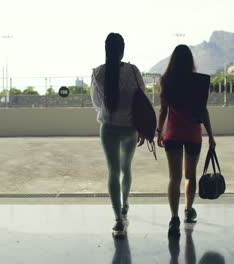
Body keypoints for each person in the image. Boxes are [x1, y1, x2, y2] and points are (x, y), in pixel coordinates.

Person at [157, 44, 216, 237]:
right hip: (193, 134)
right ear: (190, 60)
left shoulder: (166, 80)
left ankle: (174, 218)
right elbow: (204, 110)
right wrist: (211, 136)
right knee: (190, 176)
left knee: (174, 178)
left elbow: (163, 110)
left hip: (172, 134)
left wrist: (159, 131)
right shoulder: (198, 82)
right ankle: (188, 211)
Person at [90, 32, 146, 237]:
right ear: (123, 50)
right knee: (126, 168)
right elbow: (143, 97)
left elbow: (96, 103)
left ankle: (118, 221)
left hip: (109, 128)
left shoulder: (98, 73)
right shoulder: (132, 70)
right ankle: (125, 203)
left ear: (106, 50)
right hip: (131, 128)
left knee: (112, 171)